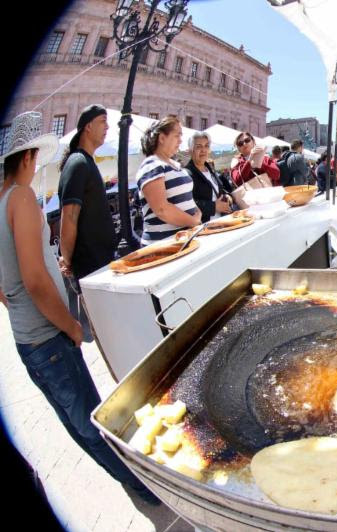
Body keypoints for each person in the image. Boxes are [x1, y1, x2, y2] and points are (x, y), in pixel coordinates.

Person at [0, 111, 160, 505]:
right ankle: (142, 483)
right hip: (47, 336)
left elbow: (6, 286)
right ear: (27, 157)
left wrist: (18, 308)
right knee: (92, 420)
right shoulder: (19, 197)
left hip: (27, 338)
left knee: (75, 421)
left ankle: (127, 480)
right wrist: (69, 326)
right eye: (35, 158)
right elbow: (35, 279)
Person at [57, 104, 116, 284]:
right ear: (88, 127)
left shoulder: (86, 162)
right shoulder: (78, 162)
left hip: (100, 265)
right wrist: (67, 260)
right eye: (103, 121)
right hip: (90, 269)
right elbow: (69, 217)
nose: (107, 127)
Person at [135, 116, 200, 244]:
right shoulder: (152, 165)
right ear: (162, 138)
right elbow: (161, 209)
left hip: (183, 239)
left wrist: (197, 212)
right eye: (177, 136)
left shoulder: (175, 165)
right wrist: (193, 221)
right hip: (164, 243)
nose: (181, 141)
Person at [184, 131, 233, 222]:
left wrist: (228, 197)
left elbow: (220, 191)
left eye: (206, 146)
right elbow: (186, 203)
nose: (203, 150)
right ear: (191, 150)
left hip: (221, 222)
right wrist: (214, 207)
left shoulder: (210, 170)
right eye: (198, 146)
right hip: (204, 227)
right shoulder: (187, 173)